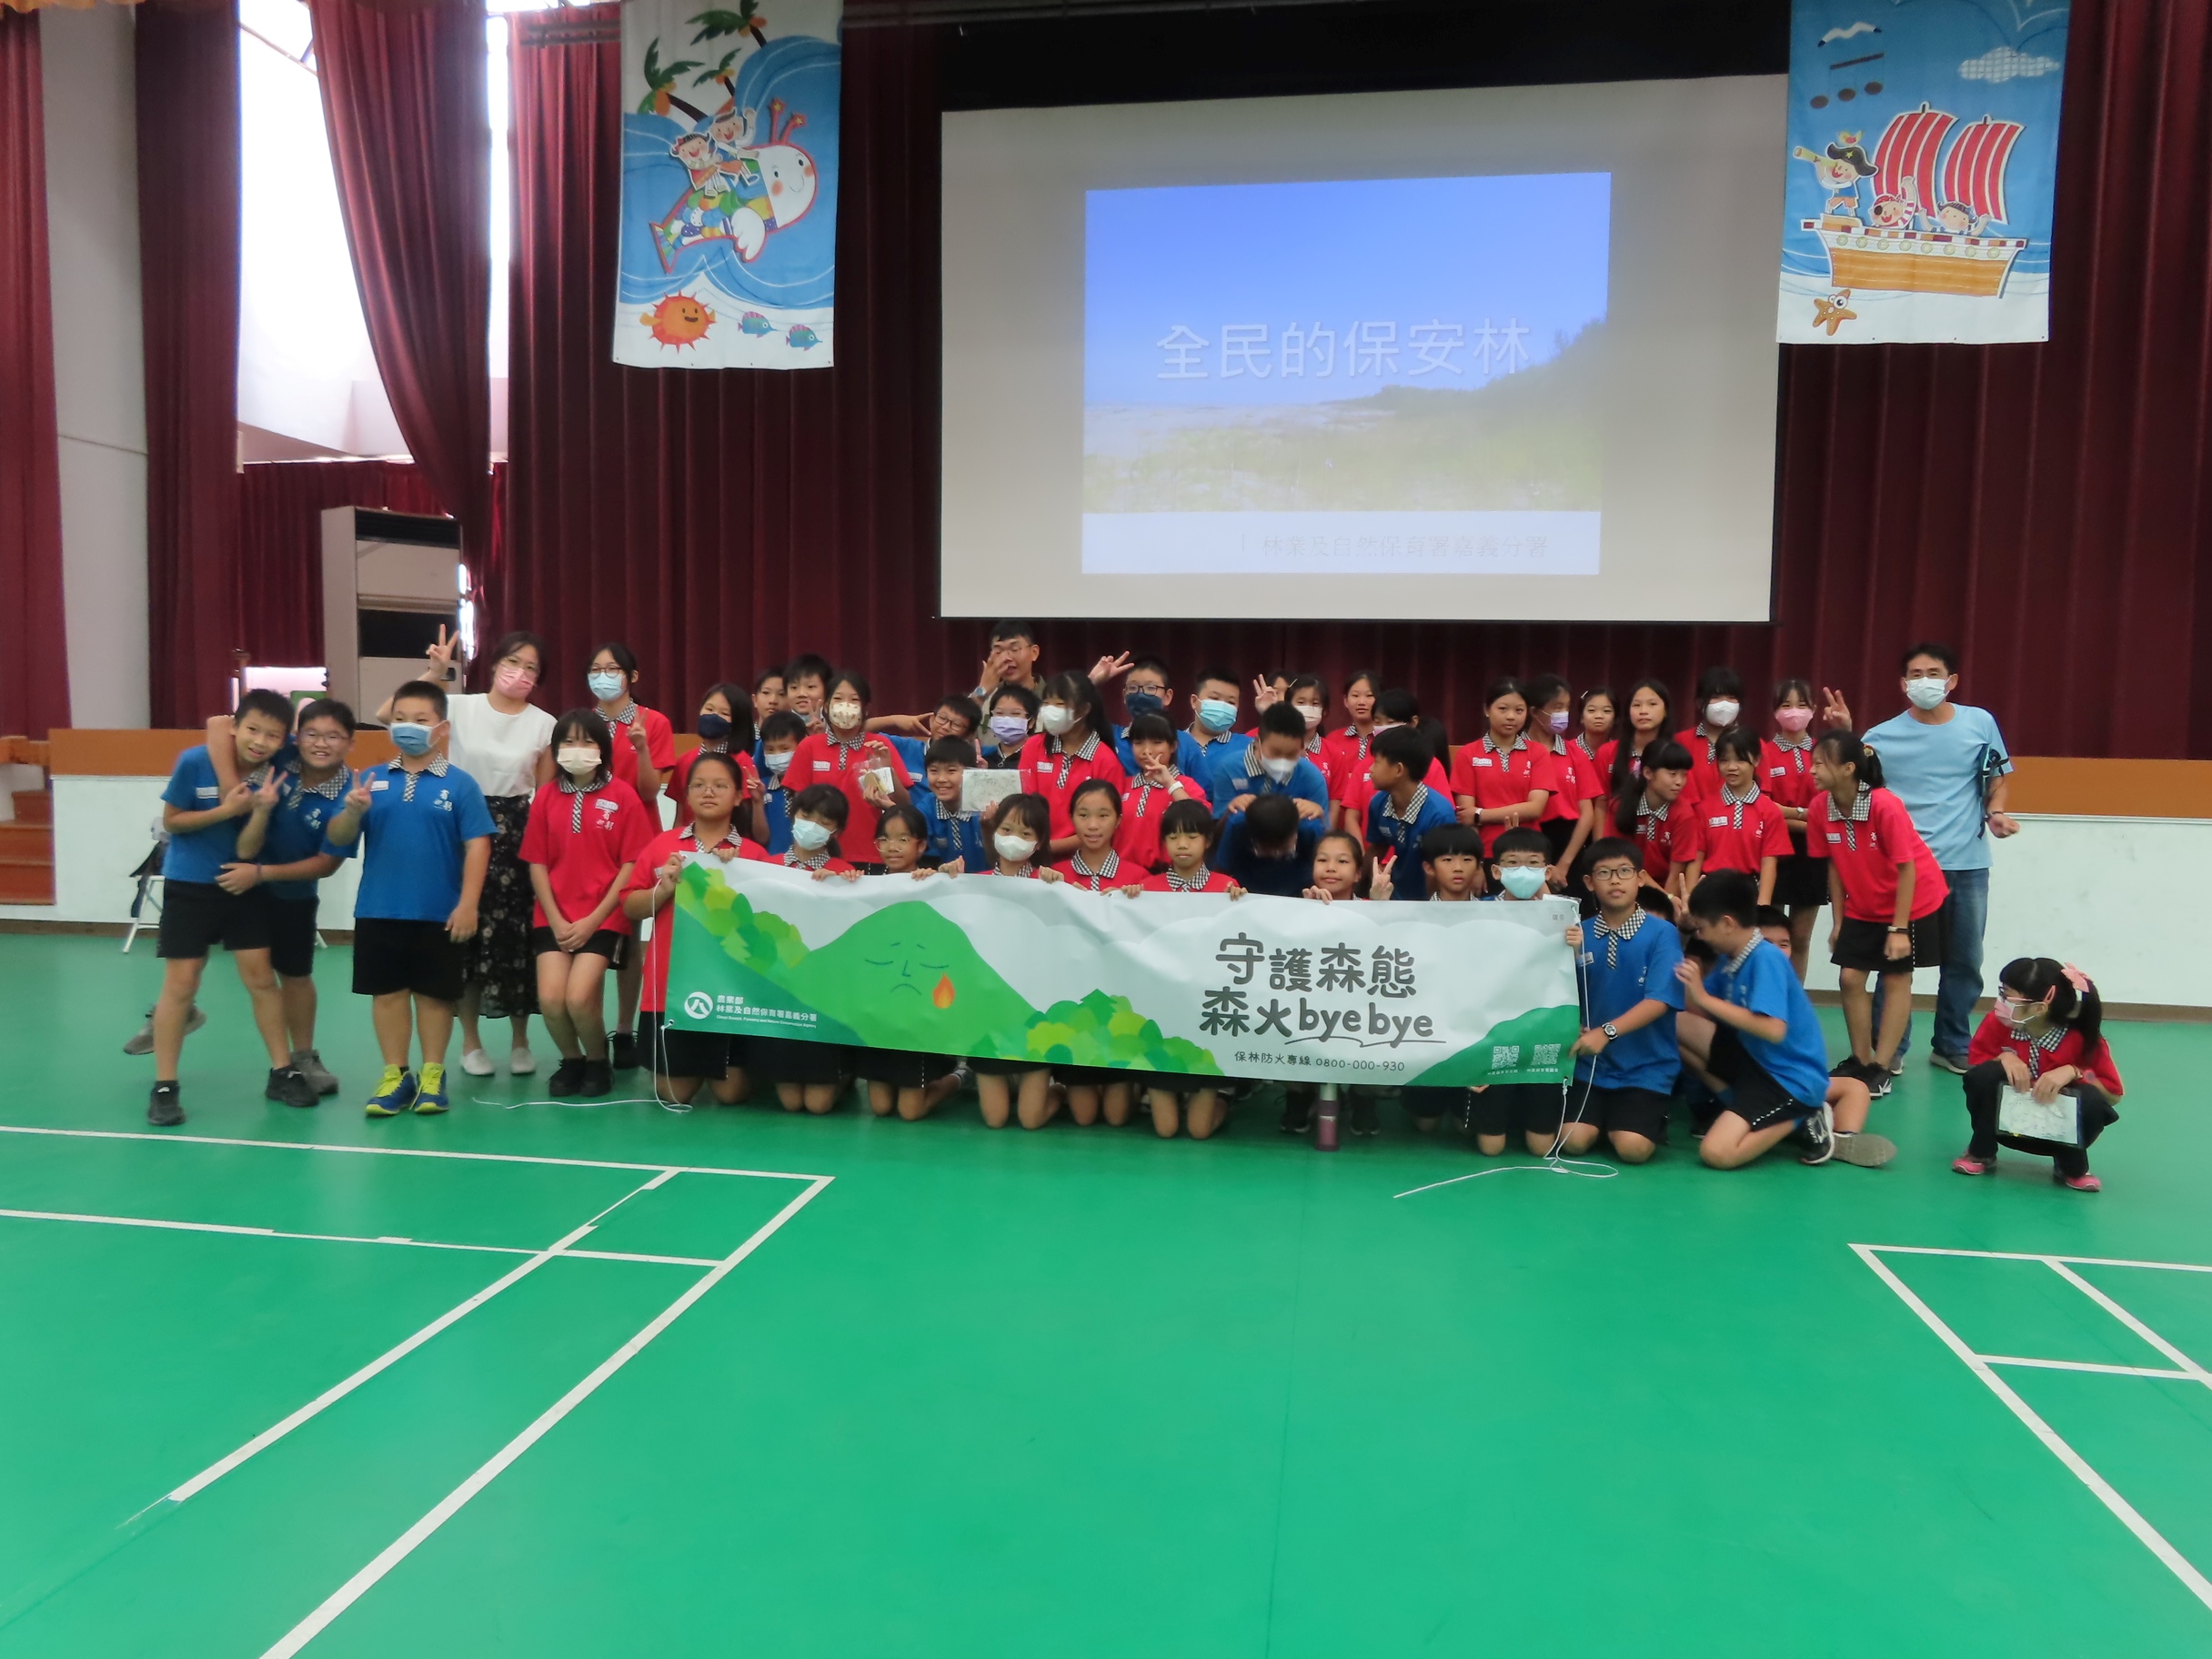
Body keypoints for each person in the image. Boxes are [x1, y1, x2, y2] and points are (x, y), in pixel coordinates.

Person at [1826, 643, 2016, 1075]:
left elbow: (1996, 778)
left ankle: (1952, 1044)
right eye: (1915, 674)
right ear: (1902, 684)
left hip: (1966, 864)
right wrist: (1848, 733)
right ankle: (1888, 1047)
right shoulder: (1879, 737)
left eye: (1933, 673)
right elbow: (1855, 781)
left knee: (1965, 961)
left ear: (1952, 681)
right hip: (1903, 869)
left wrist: (1996, 812)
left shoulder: (1980, 723)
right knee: (1895, 962)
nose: (1924, 681)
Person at [324, 680, 495, 1119]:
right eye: (400, 719)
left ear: (442, 728)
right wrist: (352, 811)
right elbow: (338, 838)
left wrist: (468, 904)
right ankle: (395, 1075)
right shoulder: (370, 780)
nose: (408, 727)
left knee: (435, 997)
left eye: (421, 720)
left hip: (439, 911)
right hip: (379, 907)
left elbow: (478, 845)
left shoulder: (461, 785)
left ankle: (432, 1075)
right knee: (387, 995)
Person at [388, 628, 554, 1082]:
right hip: (460, 820)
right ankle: (471, 1041)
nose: (519, 672)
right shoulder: (459, 706)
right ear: (495, 662)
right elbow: (389, 714)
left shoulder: (545, 723)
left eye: (531, 667)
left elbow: (544, 793)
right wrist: (435, 673)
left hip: (518, 830)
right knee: (465, 937)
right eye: (513, 661)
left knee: (516, 937)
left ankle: (520, 1040)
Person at [144, 689, 316, 1125]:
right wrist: (227, 808)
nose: (260, 741)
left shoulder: (277, 770)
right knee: (182, 982)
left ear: (283, 739)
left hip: (244, 883)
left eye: (272, 735)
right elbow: (173, 821)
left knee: (261, 977)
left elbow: (248, 846)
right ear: (237, 727)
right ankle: (165, 1085)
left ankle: (282, 1071)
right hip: (189, 884)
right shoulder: (194, 761)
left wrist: (258, 812)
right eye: (252, 729)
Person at [1673, 871, 1895, 1170]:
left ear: (1726, 924)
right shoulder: (1731, 958)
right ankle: (1773, 1117)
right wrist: (1684, 931)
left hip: (1787, 1081)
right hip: (1756, 1064)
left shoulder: (1766, 959)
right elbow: (1693, 1009)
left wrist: (1704, 998)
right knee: (1678, 1024)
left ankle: (1802, 1116)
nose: (1700, 936)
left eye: (1702, 929)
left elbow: (1773, 1030)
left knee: (1716, 1153)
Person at [226, 697, 358, 1100]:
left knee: (296, 975)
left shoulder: (351, 794)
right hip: (239, 886)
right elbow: (219, 725)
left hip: (292, 894)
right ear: (296, 738)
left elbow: (326, 864)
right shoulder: (281, 755)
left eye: (333, 736)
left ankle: (304, 1057)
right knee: (250, 976)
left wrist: (261, 873)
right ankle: (280, 1066)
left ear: (349, 743)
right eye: (312, 734)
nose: (321, 743)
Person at [1806, 731, 1950, 1097]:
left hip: (1911, 901)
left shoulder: (1885, 805)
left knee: (1896, 978)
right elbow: (1834, 866)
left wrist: (1898, 929)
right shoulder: (1821, 807)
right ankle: (1860, 1059)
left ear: (1848, 768)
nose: (1813, 770)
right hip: (1863, 904)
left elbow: (1907, 868)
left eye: (1821, 763)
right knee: (1850, 978)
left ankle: (1881, 1067)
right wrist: (1839, 922)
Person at [521, 711, 656, 1099]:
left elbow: (631, 864)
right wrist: (554, 918)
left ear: (603, 749)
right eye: (568, 742)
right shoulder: (545, 798)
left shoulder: (623, 796)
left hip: (604, 917)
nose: (576, 750)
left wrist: (594, 920)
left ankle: (598, 1061)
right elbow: (537, 862)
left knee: (579, 997)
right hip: (553, 916)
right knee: (551, 1000)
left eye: (586, 741)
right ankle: (572, 1060)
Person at [624, 752, 753, 1107]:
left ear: (738, 796)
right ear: (686, 794)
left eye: (720, 785)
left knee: (730, 1094)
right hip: (671, 986)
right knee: (674, 1094)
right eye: (698, 785)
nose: (708, 792)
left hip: (731, 989)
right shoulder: (662, 846)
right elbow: (631, 906)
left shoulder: (753, 855)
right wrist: (663, 889)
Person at [1955, 959, 2121, 1191]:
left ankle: (2071, 1166)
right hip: (2005, 1127)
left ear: (2039, 1008)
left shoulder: (2084, 1039)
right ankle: (1981, 1152)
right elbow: (1976, 1063)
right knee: (1983, 1076)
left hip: (2055, 1133)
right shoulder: (1998, 1023)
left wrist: (2077, 1072)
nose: (2000, 1002)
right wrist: (2002, 1058)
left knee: (2091, 1098)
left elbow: (2112, 1094)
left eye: (2007, 996)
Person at [1567, 839, 1685, 1163]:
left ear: (1641, 878)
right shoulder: (1578, 934)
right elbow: (1560, 993)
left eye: (1624, 871)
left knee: (1632, 1149)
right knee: (1573, 1141)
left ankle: (1636, 1121)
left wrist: (1605, 1033)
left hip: (1646, 1068)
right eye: (1604, 873)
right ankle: (1607, 1122)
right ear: (1589, 882)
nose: (1615, 880)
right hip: (1590, 1065)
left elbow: (1660, 1001)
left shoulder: (1663, 933)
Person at [587, 643, 677, 1070]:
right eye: (596, 669)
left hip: (637, 837)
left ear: (632, 677)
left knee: (630, 932)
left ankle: (624, 1030)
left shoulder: (653, 722)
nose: (603, 675)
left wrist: (640, 748)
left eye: (613, 668)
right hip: (589, 839)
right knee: (590, 937)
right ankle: (589, 1029)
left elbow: (649, 791)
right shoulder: (582, 723)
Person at [851, 804, 970, 1122]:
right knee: (880, 1107)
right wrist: (843, 881)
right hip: (878, 1008)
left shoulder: (931, 882)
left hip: (916, 1008)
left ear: (921, 845)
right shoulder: (865, 883)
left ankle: (959, 1077)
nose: (893, 847)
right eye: (885, 839)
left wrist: (942, 877)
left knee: (910, 1110)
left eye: (903, 839)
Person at [749, 784, 855, 1113]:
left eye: (824, 821)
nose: (812, 825)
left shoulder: (845, 872)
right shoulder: (767, 866)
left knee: (818, 1105)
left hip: (823, 998)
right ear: (794, 815)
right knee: (792, 1102)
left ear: (837, 830)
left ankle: (846, 1074)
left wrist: (845, 883)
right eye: (807, 815)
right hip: (780, 993)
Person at [972, 792, 1060, 1130]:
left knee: (1030, 1119)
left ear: (1038, 843)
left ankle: (1060, 1088)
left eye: (1026, 834)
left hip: (1035, 1013)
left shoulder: (1049, 884)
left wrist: (1064, 889)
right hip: (987, 1014)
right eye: (1007, 829)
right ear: (994, 831)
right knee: (995, 1119)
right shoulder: (971, 884)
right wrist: (937, 877)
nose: (1014, 839)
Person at [1397, 824, 1486, 1134]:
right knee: (1426, 1124)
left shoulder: (1498, 916)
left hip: (1477, 1033)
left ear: (1479, 866)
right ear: (1429, 867)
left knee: (1466, 1129)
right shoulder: (1412, 917)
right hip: (1427, 1031)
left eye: (1467, 860)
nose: (1458, 868)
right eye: (1447, 860)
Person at [788, 670, 911, 860]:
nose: (845, 706)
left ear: (866, 709)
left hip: (872, 854)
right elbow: (799, 806)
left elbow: (904, 805)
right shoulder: (809, 746)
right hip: (820, 855)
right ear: (826, 706)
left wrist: (887, 770)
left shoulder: (881, 745)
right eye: (838, 699)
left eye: (854, 700)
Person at [1018, 671, 1126, 857]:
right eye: (1046, 703)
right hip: (1032, 853)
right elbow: (1023, 802)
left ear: (1084, 710)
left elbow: (1107, 824)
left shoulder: (1105, 760)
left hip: (1083, 858)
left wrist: (1047, 848)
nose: (1050, 710)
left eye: (1059, 704)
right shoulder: (1034, 746)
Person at [1451, 678, 1556, 862]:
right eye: (1502, 709)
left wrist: (1480, 814)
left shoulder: (1538, 752)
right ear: (1487, 710)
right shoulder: (1468, 754)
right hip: (1485, 852)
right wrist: (1475, 860)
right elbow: (1466, 816)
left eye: (1519, 710)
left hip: (1529, 852)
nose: (1511, 716)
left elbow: (1535, 808)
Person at [1765, 679, 1825, 980]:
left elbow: (1829, 812)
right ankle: (1770, 993)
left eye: (1802, 704)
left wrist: (1794, 814)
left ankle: (1795, 997)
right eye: (1786, 705)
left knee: (1800, 938)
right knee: (1771, 936)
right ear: (1775, 711)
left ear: (1813, 709)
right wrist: (1808, 817)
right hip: (1774, 848)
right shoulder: (1764, 752)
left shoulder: (1823, 752)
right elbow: (1766, 811)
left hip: (1814, 851)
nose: (1794, 711)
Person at [1525, 674, 1606, 890]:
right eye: (1557, 707)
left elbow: (1587, 813)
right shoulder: (1518, 752)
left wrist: (1564, 864)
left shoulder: (1575, 753)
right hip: (1528, 841)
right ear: (1534, 711)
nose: (1563, 714)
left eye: (1567, 707)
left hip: (1570, 846)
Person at [1696, 728, 1792, 907]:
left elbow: (1769, 863)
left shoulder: (1770, 811)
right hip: (1710, 890)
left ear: (1756, 760)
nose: (1731, 767)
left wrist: (1763, 904)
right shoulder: (1705, 808)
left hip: (1749, 891)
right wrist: (1691, 897)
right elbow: (1697, 857)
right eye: (1724, 760)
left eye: (1740, 760)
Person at [1365, 725, 1458, 900]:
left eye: (1376, 762)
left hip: (1429, 901)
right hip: (1394, 896)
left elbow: (1443, 869)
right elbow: (1377, 848)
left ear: (1398, 770)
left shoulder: (1439, 814)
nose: (1370, 769)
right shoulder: (1378, 803)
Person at [1208, 700, 1330, 833]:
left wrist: (1320, 816)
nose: (1282, 761)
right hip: (1243, 841)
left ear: (1301, 748)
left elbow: (1326, 837)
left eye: (1291, 754)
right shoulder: (1229, 769)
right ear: (1257, 742)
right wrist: (1228, 813)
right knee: (1237, 818)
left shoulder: (1312, 777)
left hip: (1295, 843)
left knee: (1312, 823)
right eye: (1276, 753)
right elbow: (1216, 834)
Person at [1115, 713, 1210, 872]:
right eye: (1138, 743)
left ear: (1173, 746)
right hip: (1125, 875)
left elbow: (1200, 822)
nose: (1147, 751)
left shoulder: (1188, 786)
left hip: (1169, 875)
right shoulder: (1123, 785)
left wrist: (1170, 784)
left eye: (1157, 743)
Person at [1614, 739, 1701, 903]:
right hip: (1625, 884)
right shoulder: (1620, 806)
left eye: (1684, 775)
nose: (1679, 782)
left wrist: (1666, 903)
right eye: (1672, 774)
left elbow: (1675, 874)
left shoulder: (1684, 814)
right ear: (1648, 773)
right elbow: (1615, 860)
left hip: (1664, 891)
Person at [668, 683, 760, 829]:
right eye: (709, 709)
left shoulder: (743, 762)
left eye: (725, 713)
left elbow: (747, 815)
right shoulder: (685, 760)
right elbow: (681, 814)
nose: (714, 716)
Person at [1110, 656, 1211, 782]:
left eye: (1151, 688)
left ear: (1167, 696)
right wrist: (1094, 681)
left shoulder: (1185, 742)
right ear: (1125, 695)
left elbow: (1205, 791)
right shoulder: (1111, 737)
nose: (1141, 694)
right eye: (1133, 688)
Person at [1214, 794, 1321, 898]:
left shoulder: (1311, 829)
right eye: (1267, 851)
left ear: (1295, 834)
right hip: (1245, 894)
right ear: (1252, 837)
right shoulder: (1236, 826)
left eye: (1283, 850)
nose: (1276, 855)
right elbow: (1220, 874)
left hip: (1301, 896)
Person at [1599, 678, 1674, 815]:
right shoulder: (1607, 751)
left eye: (1652, 704)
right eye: (1637, 705)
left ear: (1665, 711)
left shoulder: (1674, 753)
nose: (1643, 711)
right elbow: (1601, 804)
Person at [913, 737, 989, 870]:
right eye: (934, 771)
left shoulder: (984, 807)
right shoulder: (926, 807)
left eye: (951, 771)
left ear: (971, 772)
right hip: (947, 879)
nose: (941, 779)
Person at [1674, 666, 1747, 802]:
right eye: (1716, 697)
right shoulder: (1681, 742)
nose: (1724, 704)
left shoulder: (1754, 744)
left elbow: (1762, 797)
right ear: (1699, 702)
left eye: (1731, 697)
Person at [1051, 778, 1129, 892]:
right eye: (1083, 815)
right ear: (1071, 818)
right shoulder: (1054, 877)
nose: (1093, 825)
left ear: (1118, 820)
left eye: (1103, 816)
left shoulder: (1138, 880)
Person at [753, 709, 808, 851]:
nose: (777, 755)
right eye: (770, 750)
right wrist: (758, 803)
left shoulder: (813, 788)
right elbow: (761, 838)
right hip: (773, 861)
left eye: (784, 749)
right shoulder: (762, 787)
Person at [1185, 665, 1243, 770]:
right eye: (1214, 698)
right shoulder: (1172, 742)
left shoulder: (1248, 747)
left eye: (1231, 702)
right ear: (1194, 701)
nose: (1223, 706)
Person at [981, 684, 1040, 771]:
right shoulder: (983, 757)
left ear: (1031, 722)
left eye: (1015, 714)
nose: (1006, 719)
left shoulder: (1040, 758)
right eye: (1000, 713)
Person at [782, 652, 834, 734]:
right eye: (794, 687)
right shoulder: (777, 727)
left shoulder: (837, 729)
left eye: (810, 687)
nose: (801, 694)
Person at [748, 667, 788, 736]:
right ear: (755, 700)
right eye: (766, 692)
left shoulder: (800, 738)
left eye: (781, 694)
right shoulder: (744, 738)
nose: (773, 701)